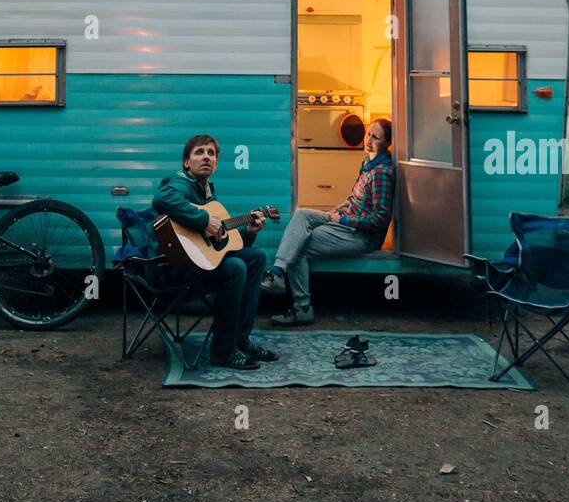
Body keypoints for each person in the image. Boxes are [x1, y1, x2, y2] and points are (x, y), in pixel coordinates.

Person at [153, 133, 278, 370]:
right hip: (178, 268)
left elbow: (222, 244)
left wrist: (249, 231)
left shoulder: (207, 193)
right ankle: (223, 351)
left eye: (211, 153)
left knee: (256, 258)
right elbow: (161, 198)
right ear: (186, 162)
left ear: (216, 163)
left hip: (202, 263)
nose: (206, 157)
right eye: (199, 152)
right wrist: (203, 220)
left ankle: (240, 340)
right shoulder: (181, 182)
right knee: (235, 267)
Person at [260, 118, 395, 325]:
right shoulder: (367, 164)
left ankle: (302, 308)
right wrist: (334, 213)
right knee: (302, 214)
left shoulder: (381, 174)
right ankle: (278, 272)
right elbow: (353, 200)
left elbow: (379, 219)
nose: (368, 140)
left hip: (361, 235)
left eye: (376, 137)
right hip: (344, 224)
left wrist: (341, 219)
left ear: (387, 143)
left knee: (299, 246)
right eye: (368, 133)